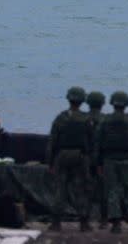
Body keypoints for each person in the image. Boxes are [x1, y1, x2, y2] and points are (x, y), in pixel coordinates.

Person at [95, 91, 128, 235]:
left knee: (112, 191)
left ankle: (116, 224)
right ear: (126, 104)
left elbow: (98, 143)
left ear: (112, 103)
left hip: (109, 161)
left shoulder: (104, 121)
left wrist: (98, 163)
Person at [46, 86, 94, 232]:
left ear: (69, 99)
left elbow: (52, 141)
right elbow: (91, 141)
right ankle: (84, 223)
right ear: (82, 101)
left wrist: (50, 161)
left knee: (60, 189)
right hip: (80, 156)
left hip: (62, 155)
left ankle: (56, 222)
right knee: (80, 189)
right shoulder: (87, 119)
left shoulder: (60, 118)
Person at [86, 91, 108, 227]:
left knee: (84, 188)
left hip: (85, 158)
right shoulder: (106, 119)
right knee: (104, 190)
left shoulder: (83, 118)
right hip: (103, 159)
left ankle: (84, 220)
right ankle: (104, 220)